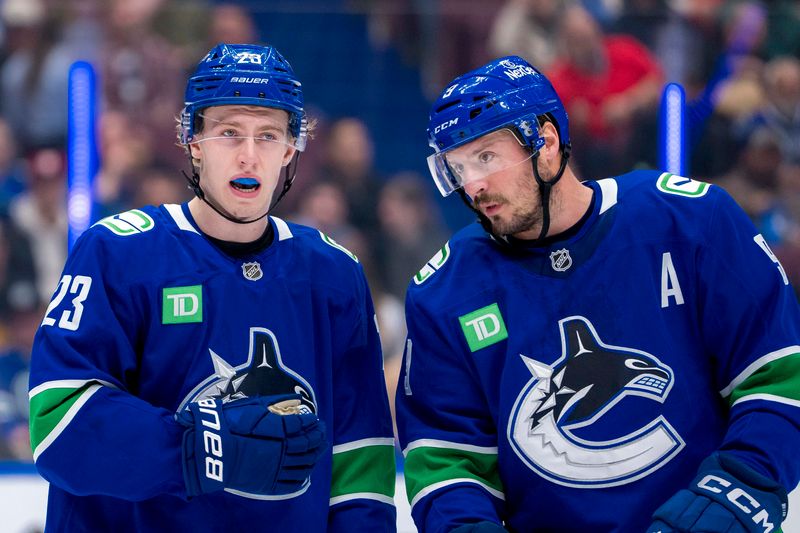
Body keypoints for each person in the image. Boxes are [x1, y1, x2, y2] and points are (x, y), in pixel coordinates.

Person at [395, 55, 800, 532]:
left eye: (485, 157)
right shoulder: (444, 292)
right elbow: (446, 460)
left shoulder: (690, 222)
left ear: (544, 142)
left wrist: (733, 495)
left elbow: (777, 379)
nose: (474, 184)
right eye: (458, 168)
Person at [28, 43, 397, 532]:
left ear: (290, 150)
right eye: (228, 133)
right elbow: (58, 424)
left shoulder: (333, 273)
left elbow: (360, 456)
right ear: (193, 141)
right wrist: (202, 448)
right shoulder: (117, 253)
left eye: (268, 135)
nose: (248, 156)